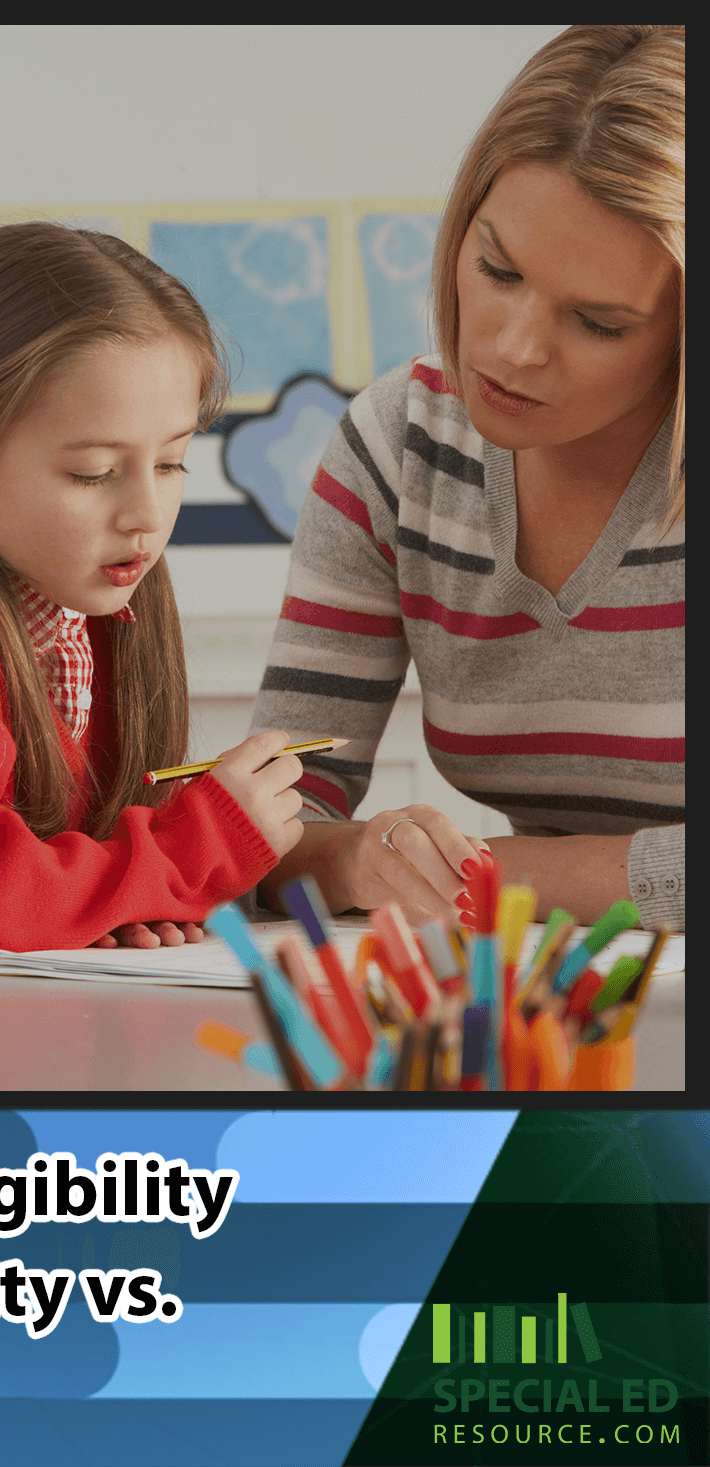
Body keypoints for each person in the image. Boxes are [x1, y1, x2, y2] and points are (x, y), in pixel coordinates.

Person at [249, 25, 684, 933]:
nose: (513, 349)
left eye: (598, 322)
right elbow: (277, 817)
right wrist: (358, 855)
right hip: (551, 986)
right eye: (496, 268)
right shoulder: (398, 445)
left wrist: (490, 872)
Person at [0, 222, 307, 953]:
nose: (146, 515)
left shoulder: (107, 617)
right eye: (93, 472)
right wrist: (192, 851)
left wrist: (126, 897)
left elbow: (73, 871)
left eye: (170, 464)